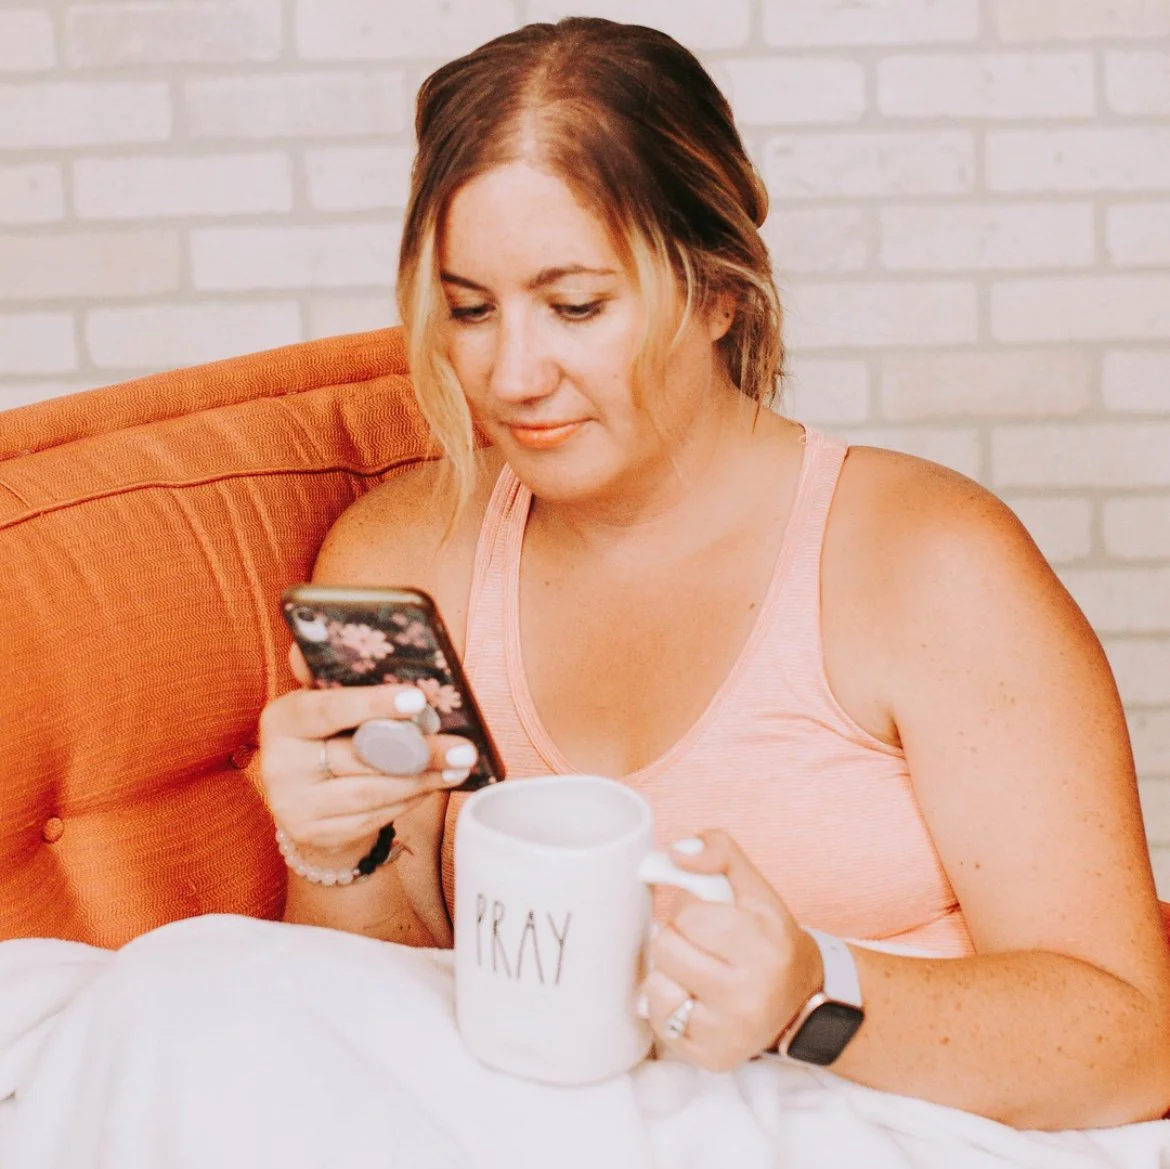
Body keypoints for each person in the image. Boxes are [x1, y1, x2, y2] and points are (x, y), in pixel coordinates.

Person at [256, 16, 1170, 1131]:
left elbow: (1130, 1042)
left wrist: (815, 993)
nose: (513, 371)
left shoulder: (930, 565)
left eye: (578, 304)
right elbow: (366, 1023)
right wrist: (337, 850)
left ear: (720, 288)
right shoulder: (404, 556)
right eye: (471, 309)